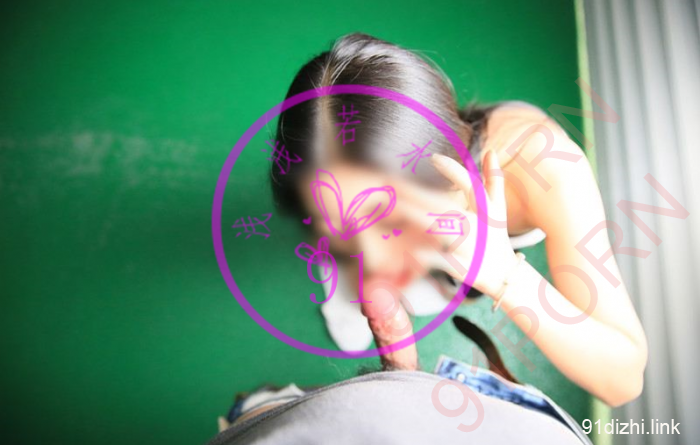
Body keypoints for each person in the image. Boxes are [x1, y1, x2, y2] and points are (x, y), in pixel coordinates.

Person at [269, 33, 647, 408]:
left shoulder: (552, 170)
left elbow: (624, 380)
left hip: (479, 244)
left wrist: (504, 275)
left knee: (434, 284)